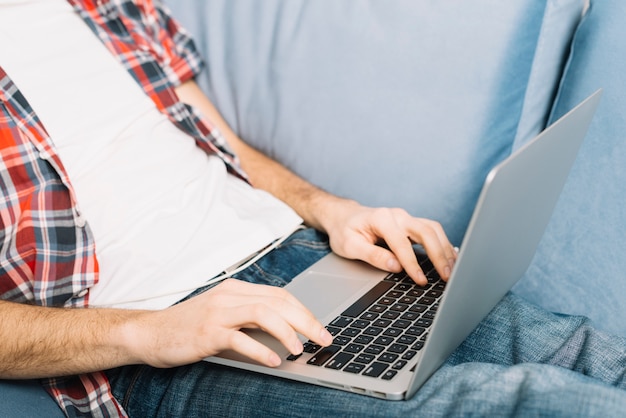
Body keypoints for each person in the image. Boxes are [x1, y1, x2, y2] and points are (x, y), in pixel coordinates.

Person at [1, 1, 626, 417]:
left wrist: (332, 210)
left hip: (299, 252)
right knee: (532, 405)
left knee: (590, 356)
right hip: (166, 336)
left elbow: (223, 145)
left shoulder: (98, 6)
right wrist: (150, 332)